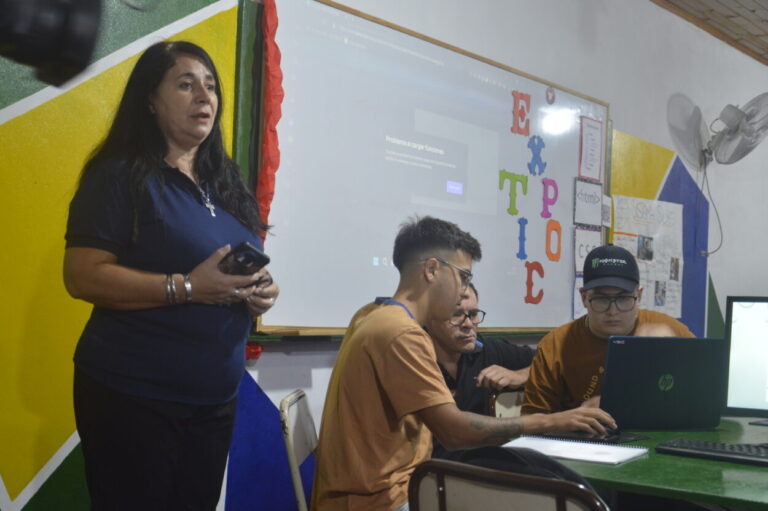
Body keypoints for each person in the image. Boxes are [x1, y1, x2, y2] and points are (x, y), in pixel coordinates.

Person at [63, 41, 279, 510]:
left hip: (215, 399)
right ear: (150, 100)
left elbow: (233, 267)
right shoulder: (119, 176)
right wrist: (188, 287)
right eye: (185, 84)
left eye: (210, 85)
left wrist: (259, 291)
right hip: (135, 396)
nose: (204, 96)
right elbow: (82, 277)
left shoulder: (226, 184)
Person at [311, 216, 614, 511]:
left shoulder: (370, 314)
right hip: (381, 499)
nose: (463, 293)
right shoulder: (402, 333)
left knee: (535, 470)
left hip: (387, 485)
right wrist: (553, 421)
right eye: (464, 276)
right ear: (432, 270)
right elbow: (455, 433)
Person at [522, 244, 693, 415]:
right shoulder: (555, 346)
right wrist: (571, 419)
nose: (613, 311)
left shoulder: (673, 333)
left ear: (639, 296)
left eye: (624, 298)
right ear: (584, 298)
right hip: (583, 438)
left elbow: (705, 396)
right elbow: (532, 420)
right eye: (602, 299)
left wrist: (672, 358)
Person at [426, 283, 534, 458]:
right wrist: (546, 423)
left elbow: (552, 363)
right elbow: (453, 433)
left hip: (485, 464)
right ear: (430, 319)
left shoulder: (487, 349)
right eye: (456, 315)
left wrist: (520, 375)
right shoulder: (414, 357)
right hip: (431, 470)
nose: (468, 324)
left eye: (474, 314)